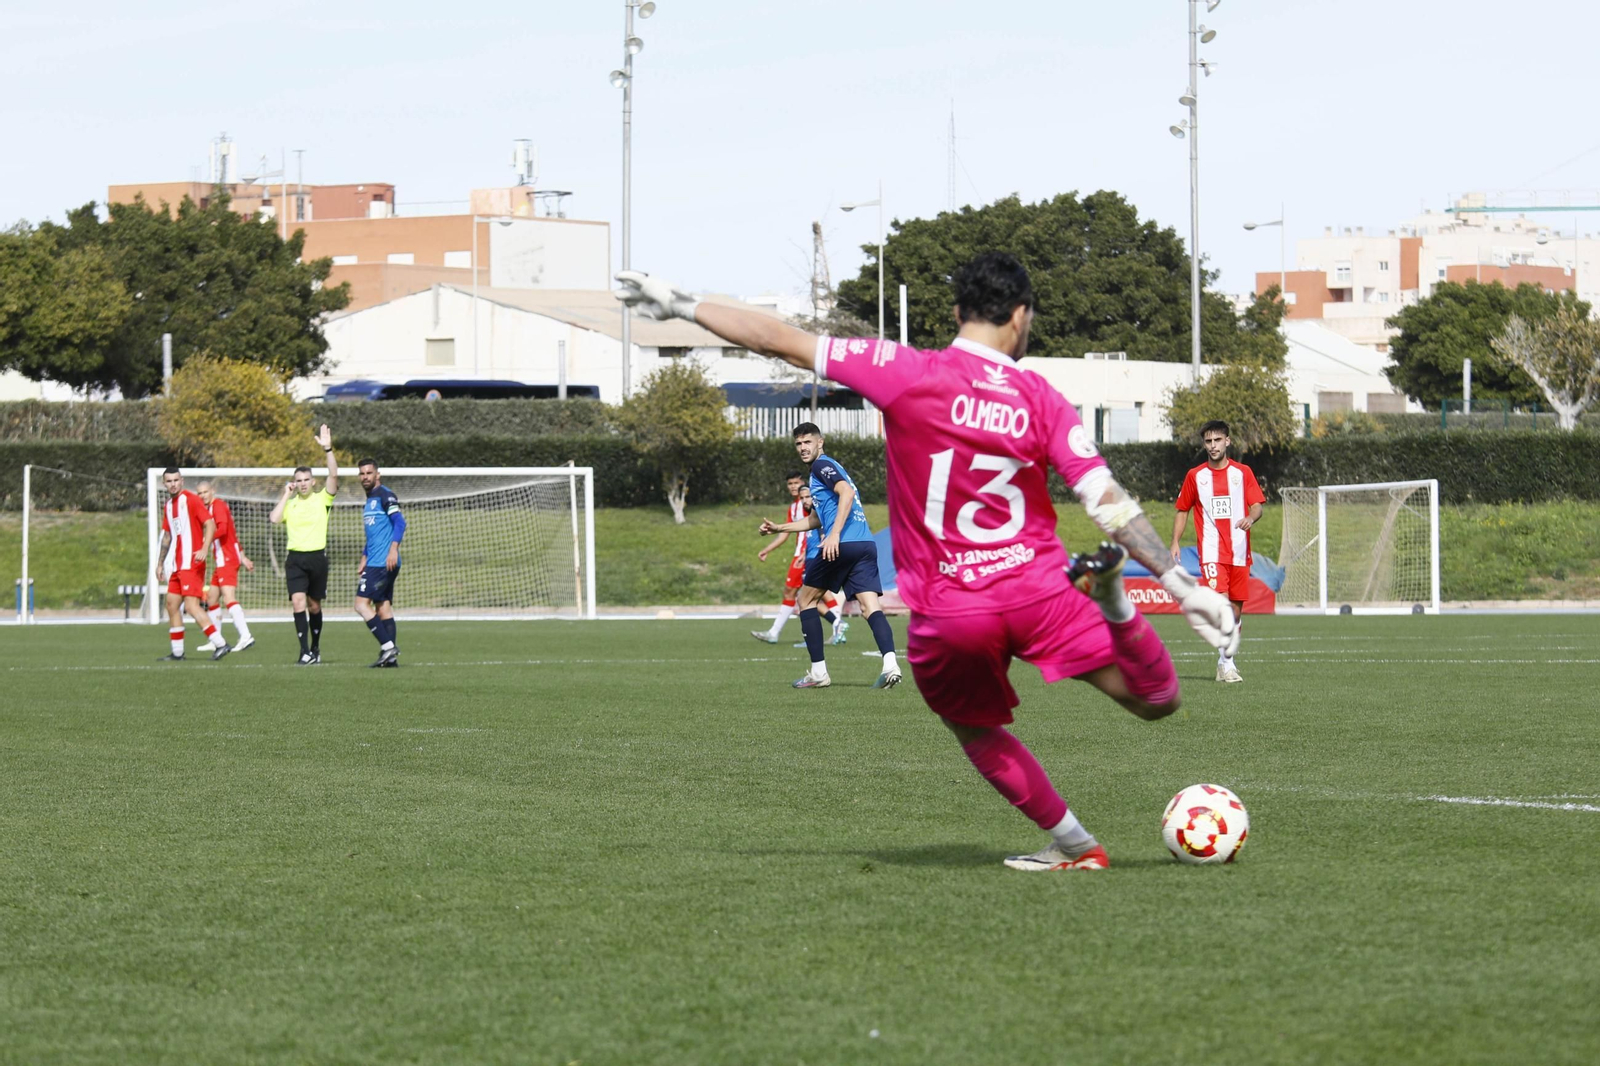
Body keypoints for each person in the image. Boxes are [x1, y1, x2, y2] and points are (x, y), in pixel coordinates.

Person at [617, 253, 1237, 871]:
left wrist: (681, 304)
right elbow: (1105, 499)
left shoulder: (904, 369)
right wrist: (1178, 581)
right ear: (1021, 316)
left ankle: (1076, 845)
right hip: (1039, 592)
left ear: (958, 311)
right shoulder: (1041, 398)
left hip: (952, 607)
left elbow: (779, 339)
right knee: (1157, 701)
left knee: (973, 726)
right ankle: (1116, 604)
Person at [757, 423, 901, 690]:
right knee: (870, 607)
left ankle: (818, 673)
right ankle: (891, 664)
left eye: (807, 442)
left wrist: (833, 534)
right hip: (864, 544)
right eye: (799, 444)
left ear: (820, 442)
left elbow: (846, 492)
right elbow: (814, 519)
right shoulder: (827, 470)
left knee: (805, 600)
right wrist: (780, 528)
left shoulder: (821, 466)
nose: (803, 448)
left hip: (842, 544)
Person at [1171, 419, 1265, 684]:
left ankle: (1223, 662)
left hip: (1239, 551)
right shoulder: (1195, 476)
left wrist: (1251, 517)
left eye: (1217, 440)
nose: (1213, 446)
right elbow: (1182, 509)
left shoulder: (1242, 473)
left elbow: (1258, 505)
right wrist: (1175, 541)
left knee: (1235, 613)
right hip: (1211, 552)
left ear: (1227, 441)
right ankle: (1229, 665)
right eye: (1208, 441)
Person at [270, 425, 339, 664]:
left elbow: (333, 476)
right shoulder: (290, 504)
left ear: (313, 481)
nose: (302, 484)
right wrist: (285, 495)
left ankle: (315, 647)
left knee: (314, 605)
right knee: (298, 602)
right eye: (298, 481)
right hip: (295, 559)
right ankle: (304, 652)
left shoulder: (322, 499)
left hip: (317, 558)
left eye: (306, 480)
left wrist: (328, 449)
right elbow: (274, 518)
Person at [752, 477, 846, 646]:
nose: (793, 487)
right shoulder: (796, 507)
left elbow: (820, 530)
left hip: (808, 556)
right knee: (811, 595)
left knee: (804, 597)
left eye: (796, 483)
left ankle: (829, 628)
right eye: (790, 484)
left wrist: (805, 553)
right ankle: (837, 625)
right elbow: (786, 532)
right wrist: (768, 548)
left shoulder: (815, 504)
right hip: (806, 555)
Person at [155, 468, 230, 662]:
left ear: (182, 481)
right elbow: (167, 535)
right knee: (171, 604)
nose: (173, 484)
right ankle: (177, 653)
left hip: (192, 562)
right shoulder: (168, 505)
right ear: (164, 483)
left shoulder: (191, 500)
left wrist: (204, 547)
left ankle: (220, 643)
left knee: (191, 605)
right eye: (169, 481)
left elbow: (210, 524)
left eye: (176, 480)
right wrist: (160, 563)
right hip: (178, 564)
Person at [353, 457, 406, 668]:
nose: (365, 477)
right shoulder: (369, 499)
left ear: (378, 474)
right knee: (383, 607)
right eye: (362, 473)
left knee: (360, 604)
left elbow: (400, 522)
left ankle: (388, 647)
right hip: (376, 560)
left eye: (369, 473)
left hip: (382, 562)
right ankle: (390, 660)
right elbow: (373, 534)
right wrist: (364, 556)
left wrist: (393, 549)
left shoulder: (385, 495)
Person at [195, 480, 255, 653]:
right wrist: (243, 556)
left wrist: (204, 540)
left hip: (227, 559)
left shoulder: (218, 506)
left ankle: (246, 636)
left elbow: (223, 530)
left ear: (212, 491)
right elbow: (233, 535)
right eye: (200, 493)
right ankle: (216, 640)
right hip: (223, 559)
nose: (203, 495)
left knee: (229, 598)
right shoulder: (210, 509)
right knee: (212, 599)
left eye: (205, 492)